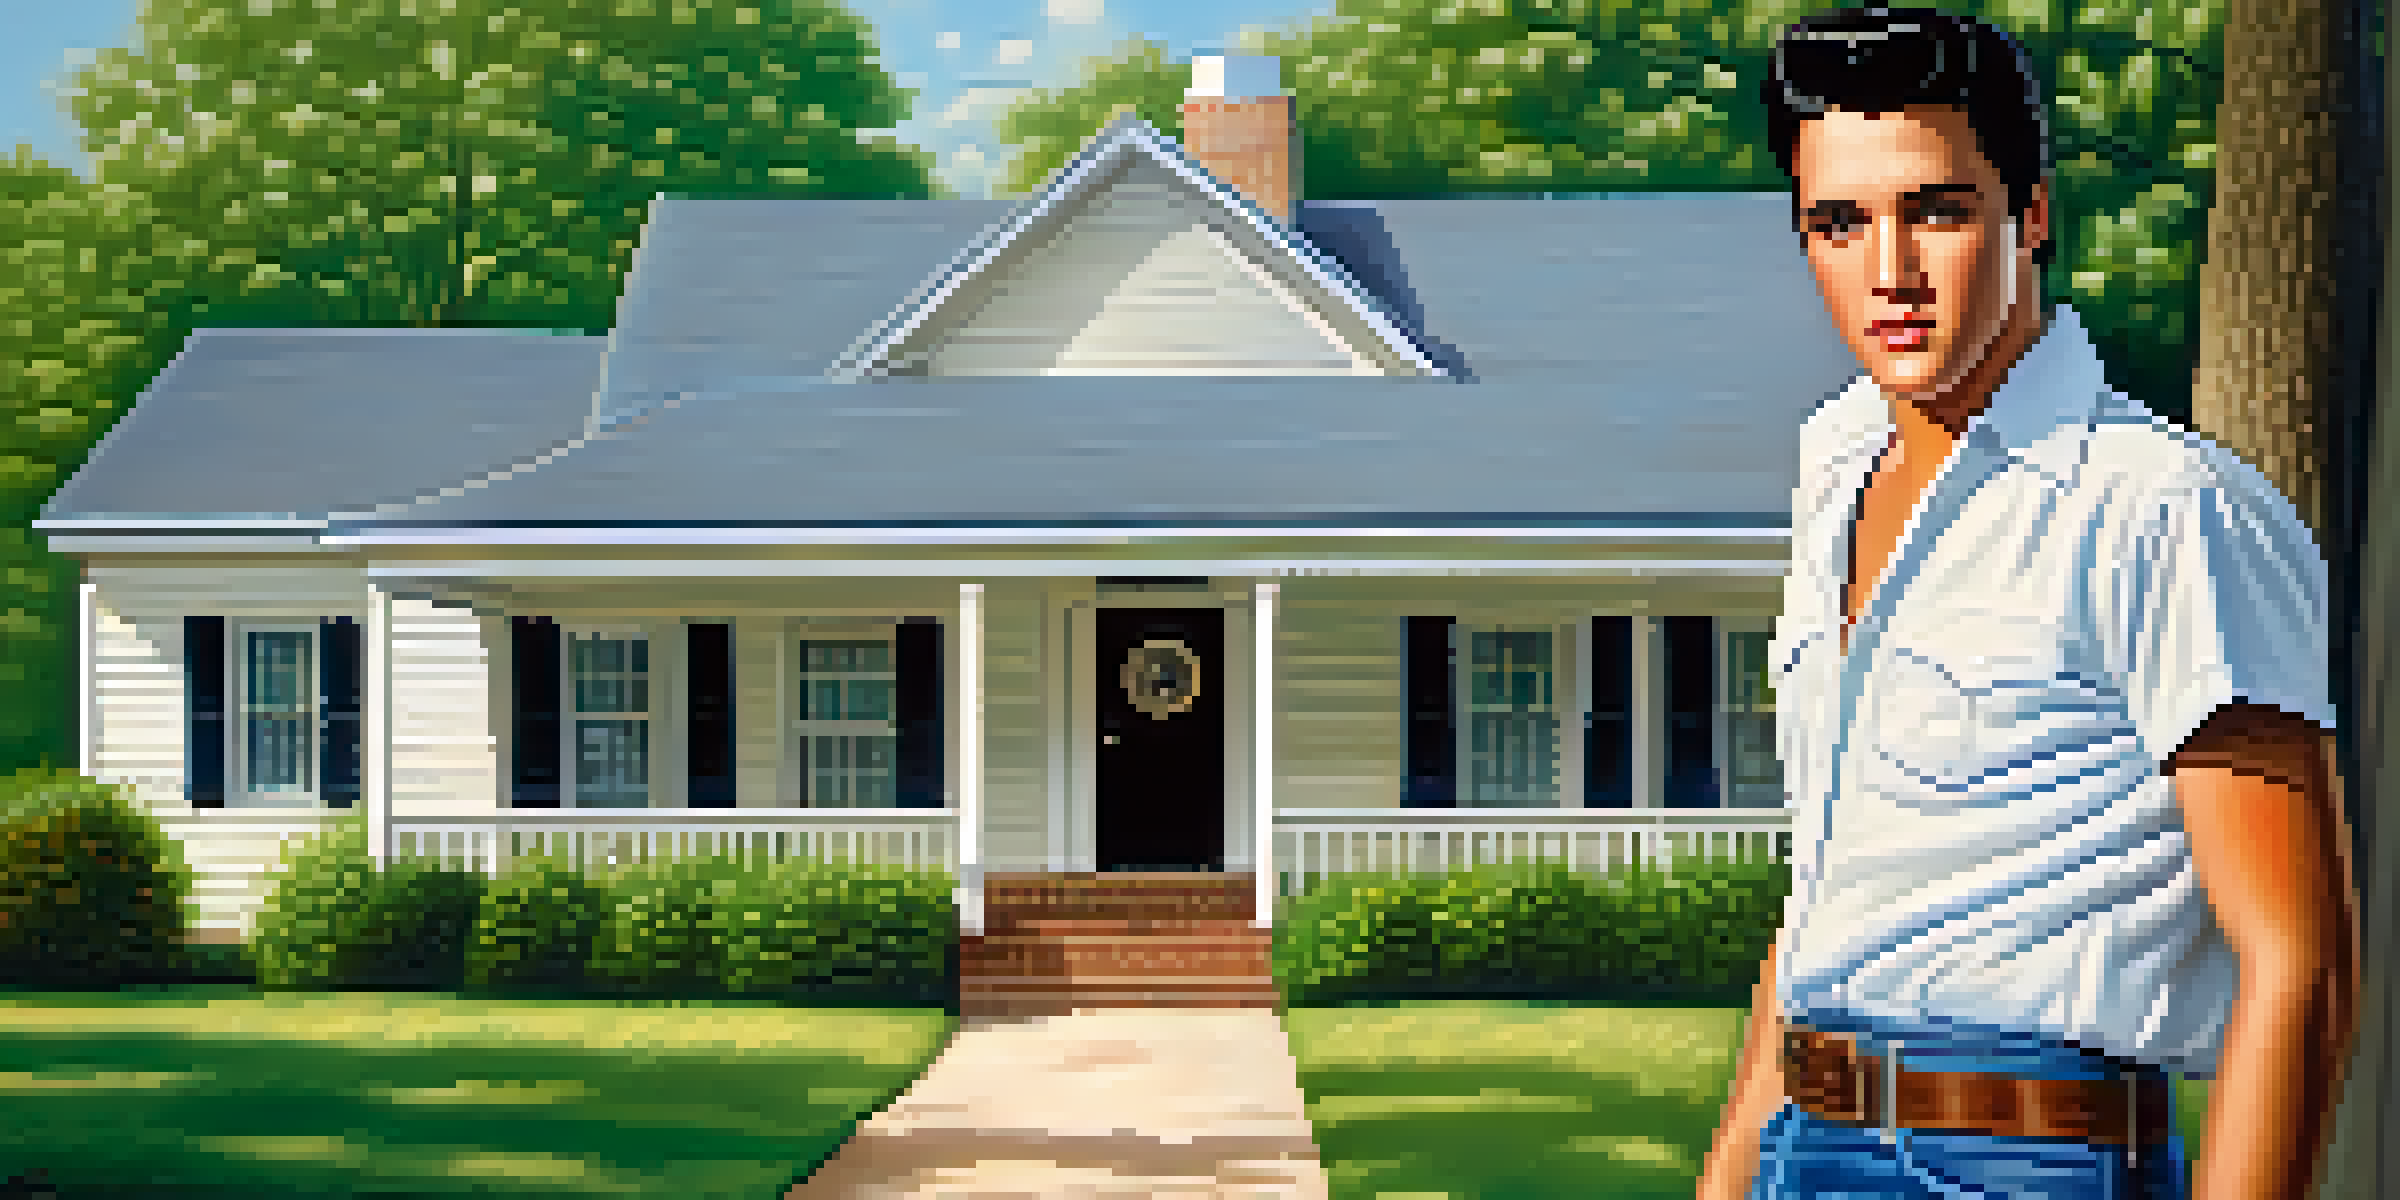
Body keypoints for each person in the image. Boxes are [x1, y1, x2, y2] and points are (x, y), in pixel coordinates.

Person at [1693, 8, 2360, 1199]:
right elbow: (1829, 892)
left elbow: (2297, 962)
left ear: (2032, 213)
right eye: (1839, 224)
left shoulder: (2164, 508)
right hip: (1808, 1136)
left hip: (2028, 1159)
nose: (1888, 271)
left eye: (1936, 210)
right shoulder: (1833, 466)